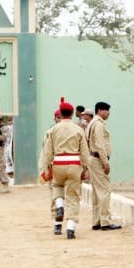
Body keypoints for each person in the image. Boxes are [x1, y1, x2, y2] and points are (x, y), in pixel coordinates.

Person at [40, 98, 89, 239]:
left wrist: (47, 168)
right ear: (73, 114)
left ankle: (59, 205)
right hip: (74, 165)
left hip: (58, 165)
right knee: (73, 196)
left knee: (57, 186)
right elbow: (84, 153)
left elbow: (47, 152)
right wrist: (85, 170)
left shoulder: (53, 130)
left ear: (60, 113)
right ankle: (70, 228)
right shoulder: (78, 130)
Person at [87, 101, 120, 230]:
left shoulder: (92, 123)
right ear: (100, 110)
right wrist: (105, 162)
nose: (108, 113)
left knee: (96, 192)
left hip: (92, 157)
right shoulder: (99, 124)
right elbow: (100, 144)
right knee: (105, 190)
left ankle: (97, 221)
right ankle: (105, 221)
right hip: (98, 159)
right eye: (107, 110)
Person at [40, 110, 63, 229]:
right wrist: (44, 169)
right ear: (55, 118)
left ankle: (68, 223)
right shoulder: (49, 132)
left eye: (61, 117)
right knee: (55, 193)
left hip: (68, 166)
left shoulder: (72, 130)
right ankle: (57, 223)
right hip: (54, 166)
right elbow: (45, 152)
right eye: (57, 117)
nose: (59, 119)